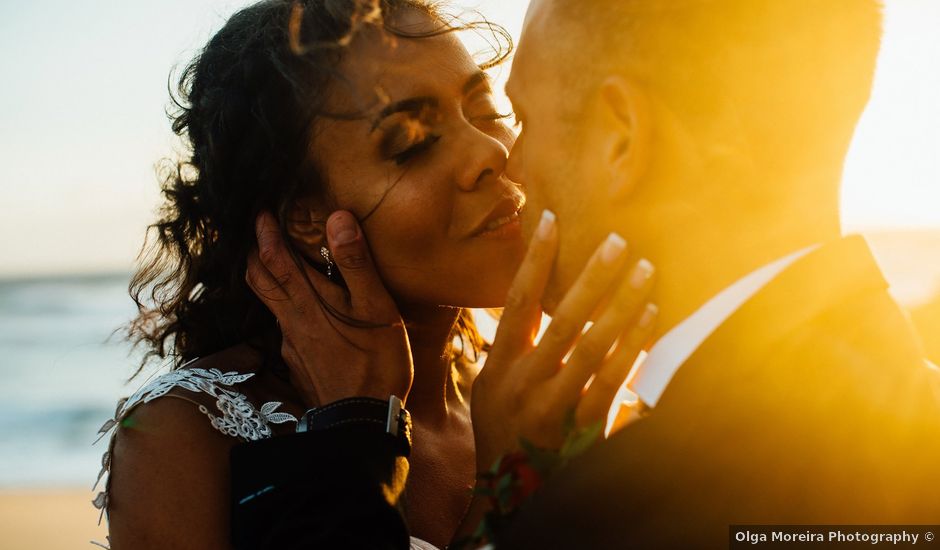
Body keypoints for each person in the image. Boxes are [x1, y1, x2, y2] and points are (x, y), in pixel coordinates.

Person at [240, 0, 940, 547]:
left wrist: (497, 490)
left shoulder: (621, 509)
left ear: (623, 139)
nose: (504, 162)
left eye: (522, 117)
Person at [93, 1, 655, 548]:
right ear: (308, 220)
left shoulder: (549, 400)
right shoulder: (185, 437)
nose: (490, 151)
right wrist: (511, 485)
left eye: (486, 114)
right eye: (414, 145)